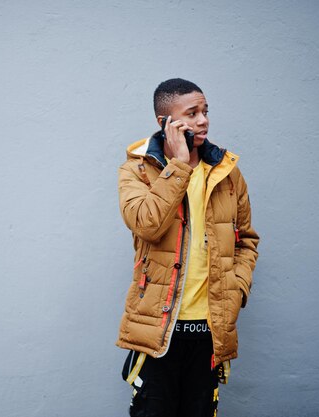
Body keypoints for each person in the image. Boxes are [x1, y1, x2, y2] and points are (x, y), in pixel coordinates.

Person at [116, 78, 260, 417]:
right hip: (157, 331)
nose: (203, 121)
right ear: (164, 123)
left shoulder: (226, 172)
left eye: (205, 111)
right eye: (192, 113)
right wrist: (179, 165)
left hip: (210, 330)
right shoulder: (137, 170)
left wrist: (235, 289)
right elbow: (147, 223)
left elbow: (247, 240)